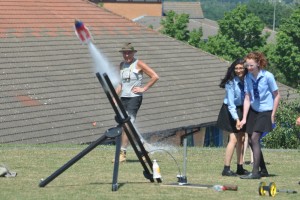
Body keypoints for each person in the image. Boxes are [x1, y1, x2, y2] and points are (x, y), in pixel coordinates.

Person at [112, 43, 159, 163]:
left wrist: (143, 88)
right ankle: (144, 147)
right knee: (126, 126)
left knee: (128, 124)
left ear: (133, 53)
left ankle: (122, 153)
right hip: (124, 98)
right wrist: (114, 97)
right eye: (124, 53)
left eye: (129, 52)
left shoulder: (139, 63)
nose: (126, 55)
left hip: (134, 98)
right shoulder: (122, 65)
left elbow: (155, 76)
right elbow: (120, 84)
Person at [239, 52, 280, 179]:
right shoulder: (247, 78)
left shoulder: (268, 76)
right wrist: (244, 118)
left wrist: (273, 114)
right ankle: (263, 169)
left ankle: (255, 172)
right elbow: (247, 97)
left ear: (258, 63)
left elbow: (277, 95)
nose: (249, 68)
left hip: (266, 110)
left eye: (251, 65)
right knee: (251, 140)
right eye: (247, 65)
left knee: (255, 138)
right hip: (254, 110)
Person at [216, 58, 249, 176]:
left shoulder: (247, 80)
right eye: (236, 68)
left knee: (241, 139)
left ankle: (240, 167)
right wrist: (237, 119)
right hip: (230, 111)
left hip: (242, 109)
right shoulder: (231, 82)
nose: (238, 70)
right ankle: (226, 168)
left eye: (241, 68)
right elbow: (230, 104)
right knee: (234, 139)